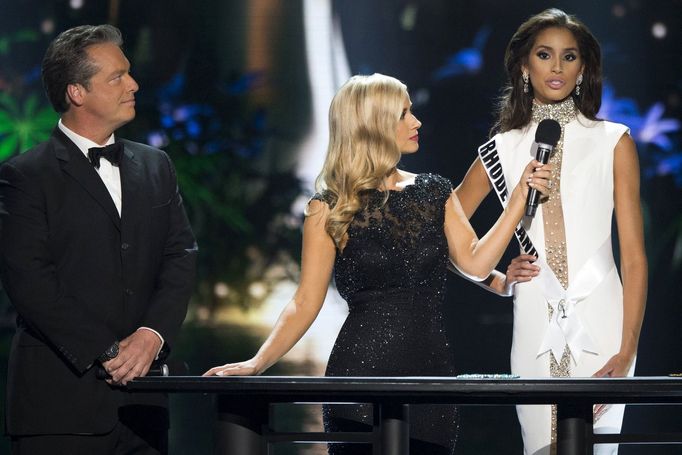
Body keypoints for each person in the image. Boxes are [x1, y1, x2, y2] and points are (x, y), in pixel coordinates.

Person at [204, 73, 550, 454]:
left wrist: (518, 201)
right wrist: (257, 362)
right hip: (358, 375)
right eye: (404, 113)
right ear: (374, 124)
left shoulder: (434, 190)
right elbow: (305, 302)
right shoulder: (328, 207)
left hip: (431, 375)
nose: (416, 122)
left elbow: (475, 263)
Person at [454, 9, 647, 455]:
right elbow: (448, 234)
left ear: (584, 69)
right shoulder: (500, 149)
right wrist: (497, 281)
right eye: (544, 55)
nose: (556, 67)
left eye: (569, 56)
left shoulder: (614, 141)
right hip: (533, 321)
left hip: (606, 327)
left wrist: (628, 350)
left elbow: (634, 256)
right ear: (525, 65)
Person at [0, 25, 197, 454]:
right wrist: (106, 351)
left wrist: (152, 334)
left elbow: (180, 255)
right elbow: (30, 282)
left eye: (128, 74)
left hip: (145, 406)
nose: (134, 84)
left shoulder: (156, 165)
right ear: (77, 92)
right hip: (59, 409)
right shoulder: (25, 176)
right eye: (117, 77)